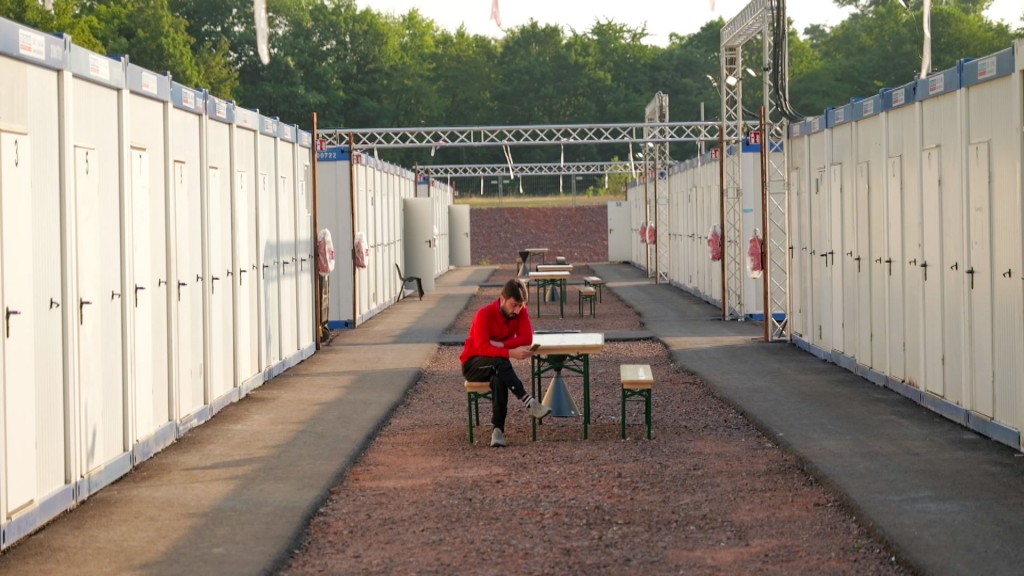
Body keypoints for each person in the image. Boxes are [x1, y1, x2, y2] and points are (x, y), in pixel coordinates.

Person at [461, 278, 550, 447]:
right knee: (501, 362)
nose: (516, 310)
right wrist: (510, 353)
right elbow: (482, 348)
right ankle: (528, 400)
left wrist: (502, 345)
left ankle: (498, 431)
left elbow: (527, 337)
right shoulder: (484, 314)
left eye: (520, 306)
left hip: (496, 365)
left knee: (499, 379)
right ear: (502, 299)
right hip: (474, 364)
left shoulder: (520, 311)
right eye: (513, 305)